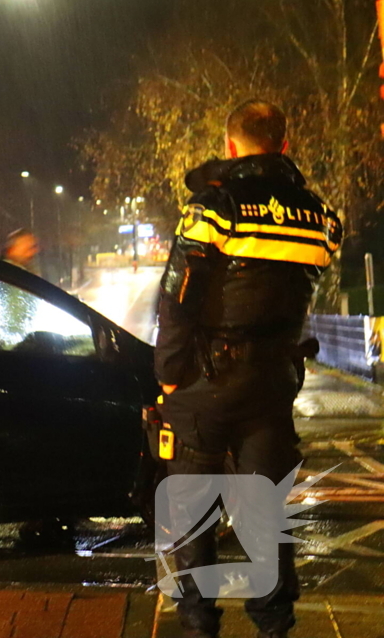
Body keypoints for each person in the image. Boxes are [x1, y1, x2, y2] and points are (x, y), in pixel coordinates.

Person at [154, 100, 342, 638]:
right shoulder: (321, 216)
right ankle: (274, 626)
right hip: (271, 383)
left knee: (191, 511)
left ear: (231, 145)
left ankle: (197, 624)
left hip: (206, 381)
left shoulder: (213, 208)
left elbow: (177, 298)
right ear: (284, 144)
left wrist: (169, 372)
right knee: (266, 515)